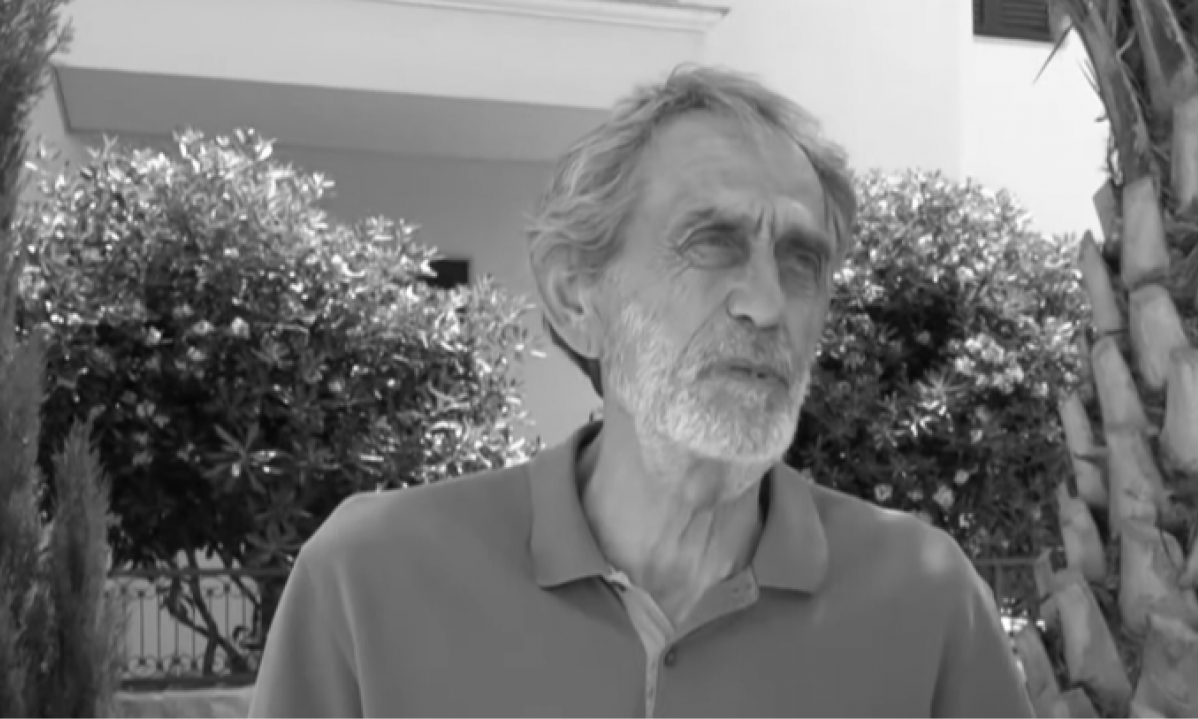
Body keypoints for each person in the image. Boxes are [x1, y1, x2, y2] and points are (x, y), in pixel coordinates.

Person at [248, 66, 1035, 719]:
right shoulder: (370, 579)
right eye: (711, 243)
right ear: (576, 298)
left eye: (802, 261)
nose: (767, 304)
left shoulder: (926, 601)